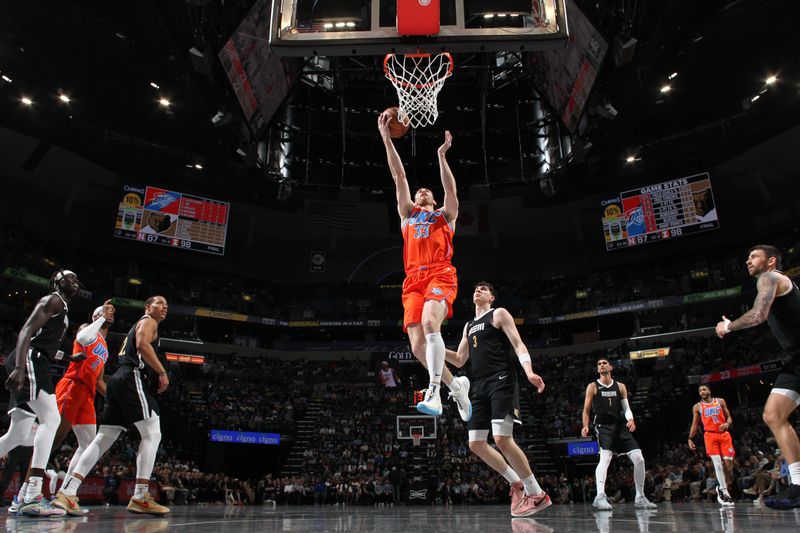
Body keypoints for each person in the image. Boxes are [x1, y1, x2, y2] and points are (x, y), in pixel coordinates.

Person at [378, 113, 471, 420]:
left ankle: (434, 393)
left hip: (440, 272)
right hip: (412, 281)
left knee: (432, 324)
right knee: (418, 348)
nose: (422, 192)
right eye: (420, 192)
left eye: (426, 192)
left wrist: (442, 155)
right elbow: (398, 178)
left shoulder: (445, 216)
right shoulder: (408, 216)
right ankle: (456, 385)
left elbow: (452, 192)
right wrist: (387, 139)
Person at [55, 296, 170, 515]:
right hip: (130, 375)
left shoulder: (137, 327)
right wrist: (162, 372)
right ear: (148, 307)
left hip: (117, 380)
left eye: (167, 305)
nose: (164, 307)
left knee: (103, 438)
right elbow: (142, 345)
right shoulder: (148, 321)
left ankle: (68, 492)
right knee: (153, 433)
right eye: (160, 303)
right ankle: (140, 496)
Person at [446, 282, 550, 517]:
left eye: (484, 289)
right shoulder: (468, 326)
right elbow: (460, 359)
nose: (478, 290)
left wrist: (529, 371)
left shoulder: (499, 313)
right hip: (478, 384)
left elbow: (518, 343)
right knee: (476, 444)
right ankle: (516, 483)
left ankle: (537, 492)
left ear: (492, 297)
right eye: (476, 288)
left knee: (502, 438)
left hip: (501, 378)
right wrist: (434, 348)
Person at [715, 244, 800, 509]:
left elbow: (758, 314)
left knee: (774, 415)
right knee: (773, 415)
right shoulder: (777, 282)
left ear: (771, 260)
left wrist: (729, 326)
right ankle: (798, 485)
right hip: (795, 359)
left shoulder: (771, 277)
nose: (748, 261)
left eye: (754, 256)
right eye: (747, 257)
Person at [2, 269, 81, 517]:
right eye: (70, 278)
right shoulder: (53, 300)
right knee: (52, 420)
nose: (75, 281)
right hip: (31, 361)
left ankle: (24, 496)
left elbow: (44, 342)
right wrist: (18, 368)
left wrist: (68, 356)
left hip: (37, 359)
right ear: (57, 282)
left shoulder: (63, 308)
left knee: (17, 435)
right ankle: (31, 496)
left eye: (77, 279)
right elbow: (26, 331)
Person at [48, 302, 114, 504]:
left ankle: (66, 494)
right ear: (96, 316)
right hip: (72, 386)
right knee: (55, 438)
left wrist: (116, 400)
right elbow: (82, 337)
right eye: (105, 312)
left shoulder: (105, 347)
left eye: (111, 313)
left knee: (89, 445)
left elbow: (100, 380)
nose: (110, 314)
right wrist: (101, 316)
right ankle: (27, 489)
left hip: (88, 393)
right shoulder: (87, 330)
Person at [581, 359, 656, 510]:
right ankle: (600, 496)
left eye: (604, 363)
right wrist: (585, 426)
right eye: (599, 364)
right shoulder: (593, 386)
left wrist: (631, 419)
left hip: (619, 427)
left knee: (639, 459)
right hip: (603, 427)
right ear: (597, 369)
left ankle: (640, 497)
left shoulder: (620, 386)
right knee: (606, 457)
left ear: (611, 367)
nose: (601, 365)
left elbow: (626, 408)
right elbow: (586, 410)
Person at [688, 384, 735, 506]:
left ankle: (721, 487)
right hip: (710, 435)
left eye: (704, 389)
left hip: (724, 435)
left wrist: (727, 424)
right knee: (718, 464)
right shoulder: (697, 407)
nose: (702, 392)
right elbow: (695, 424)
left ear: (709, 391)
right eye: (700, 390)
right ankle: (725, 492)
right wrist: (690, 438)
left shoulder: (720, 401)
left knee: (729, 467)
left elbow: (729, 417)